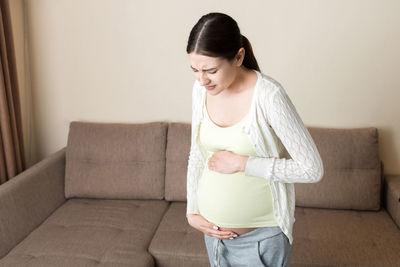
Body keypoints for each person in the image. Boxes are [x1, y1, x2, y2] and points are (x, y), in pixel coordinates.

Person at [185, 12, 324, 267]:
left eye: (211, 70)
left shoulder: (269, 97)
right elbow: (197, 154)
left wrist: (243, 163)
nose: (202, 79)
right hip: (214, 239)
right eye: (194, 69)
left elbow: (312, 169)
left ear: (238, 57)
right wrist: (192, 210)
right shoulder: (200, 90)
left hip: (260, 242)